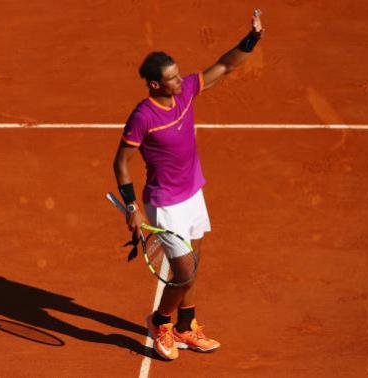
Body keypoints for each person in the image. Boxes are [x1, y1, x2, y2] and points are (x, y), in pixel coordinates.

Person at [112, 10, 264, 360]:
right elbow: (121, 162)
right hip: (164, 202)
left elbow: (224, 66)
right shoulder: (143, 117)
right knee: (183, 271)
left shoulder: (185, 93)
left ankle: (186, 326)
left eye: (179, 75)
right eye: (172, 79)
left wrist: (252, 38)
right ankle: (159, 322)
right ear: (154, 85)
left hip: (193, 191)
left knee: (193, 263)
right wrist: (132, 208)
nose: (181, 81)